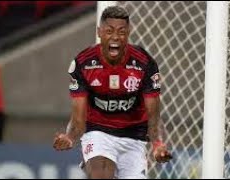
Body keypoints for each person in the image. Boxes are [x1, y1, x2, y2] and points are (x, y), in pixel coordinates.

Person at [53, 5, 172, 179]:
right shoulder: (84, 63)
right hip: (98, 131)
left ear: (129, 32)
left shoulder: (144, 63)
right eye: (109, 31)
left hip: (134, 136)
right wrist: (70, 137)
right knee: (101, 173)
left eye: (121, 32)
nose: (115, 37)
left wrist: (158, 144)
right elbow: (79, 117)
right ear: (99, 32)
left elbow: (153, 114)